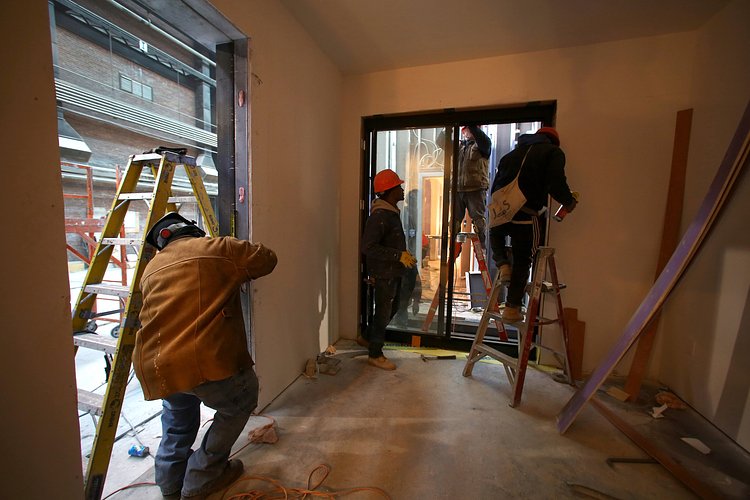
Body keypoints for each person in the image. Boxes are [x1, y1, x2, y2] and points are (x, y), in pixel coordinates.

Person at [132, 212, 277, 499]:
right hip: (202, 359)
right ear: (193, 231)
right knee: (240, 401)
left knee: (177, 415)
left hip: (158, 364)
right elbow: (267, 259)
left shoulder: (152, 267)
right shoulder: (218, 249)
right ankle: (202, 478)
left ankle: (170, 484)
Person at [489, 127, 577, 322]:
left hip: (500, 212)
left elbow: (495, 187)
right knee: (523, 258)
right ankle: (511, 309)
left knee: (496, 235)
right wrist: (568, 201)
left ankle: (502, 264)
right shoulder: (553, 152)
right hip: (526, 215)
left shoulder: (509, 155)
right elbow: (556, 182)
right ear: (552, 141)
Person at [361, 170, 417, 370]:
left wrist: (404, 255)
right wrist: (397, 256)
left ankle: (368, 338)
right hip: (384, 273)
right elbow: (368, 247)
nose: (402, 190)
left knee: (391, 309)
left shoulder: (390, 213)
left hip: (393, 271)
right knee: (384, 313)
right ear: (388, 191)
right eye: (398, 187)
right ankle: (375, 354)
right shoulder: (380, 216)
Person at [455, 125, 492, 248]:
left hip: (475, 188)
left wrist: (472, 125)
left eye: (468, 129)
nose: (466, 131)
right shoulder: (459, 146)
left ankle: (482, 246)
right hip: (458, 189)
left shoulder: (482, 145)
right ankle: (453, 247)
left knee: (479, 222)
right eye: (464, 129)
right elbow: (440, 142)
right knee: (454, 222)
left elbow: (483, 140)